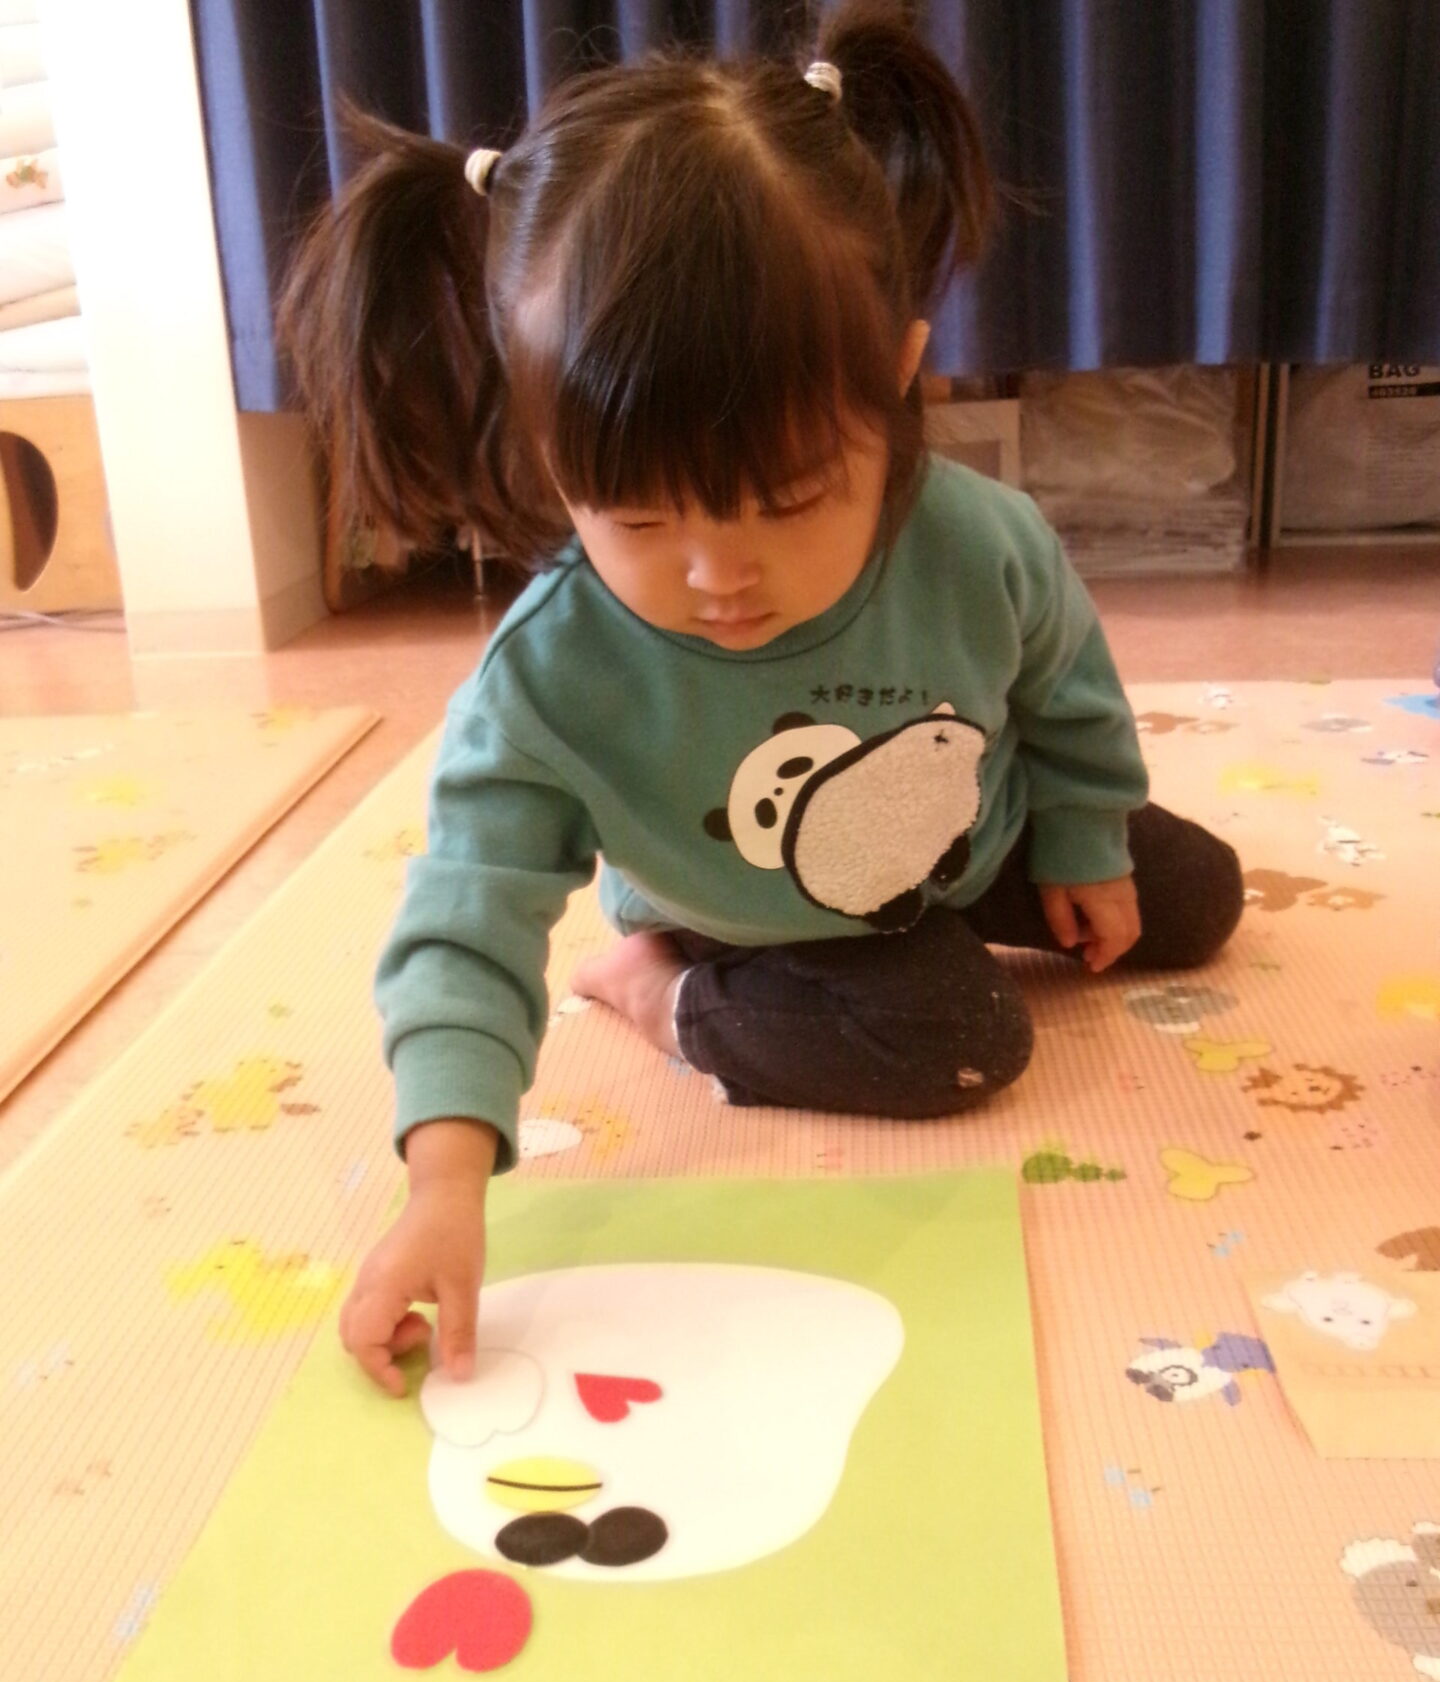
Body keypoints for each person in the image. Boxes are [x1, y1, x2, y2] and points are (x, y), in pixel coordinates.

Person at [279, 1, 1244, 1399]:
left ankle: (1012, 888)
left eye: (789, 499)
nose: (718, 576)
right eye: (635, 518)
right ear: (547, 455)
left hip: (966, 835)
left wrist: (1088, 836)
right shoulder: (547, 678)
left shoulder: (979, 541)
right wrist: (445, 1180)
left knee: (1199, 896)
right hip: (757, 911)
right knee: (964, 1037)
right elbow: (466, 915)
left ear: (899, 376)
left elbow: (1063, 691)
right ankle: (665, 992)